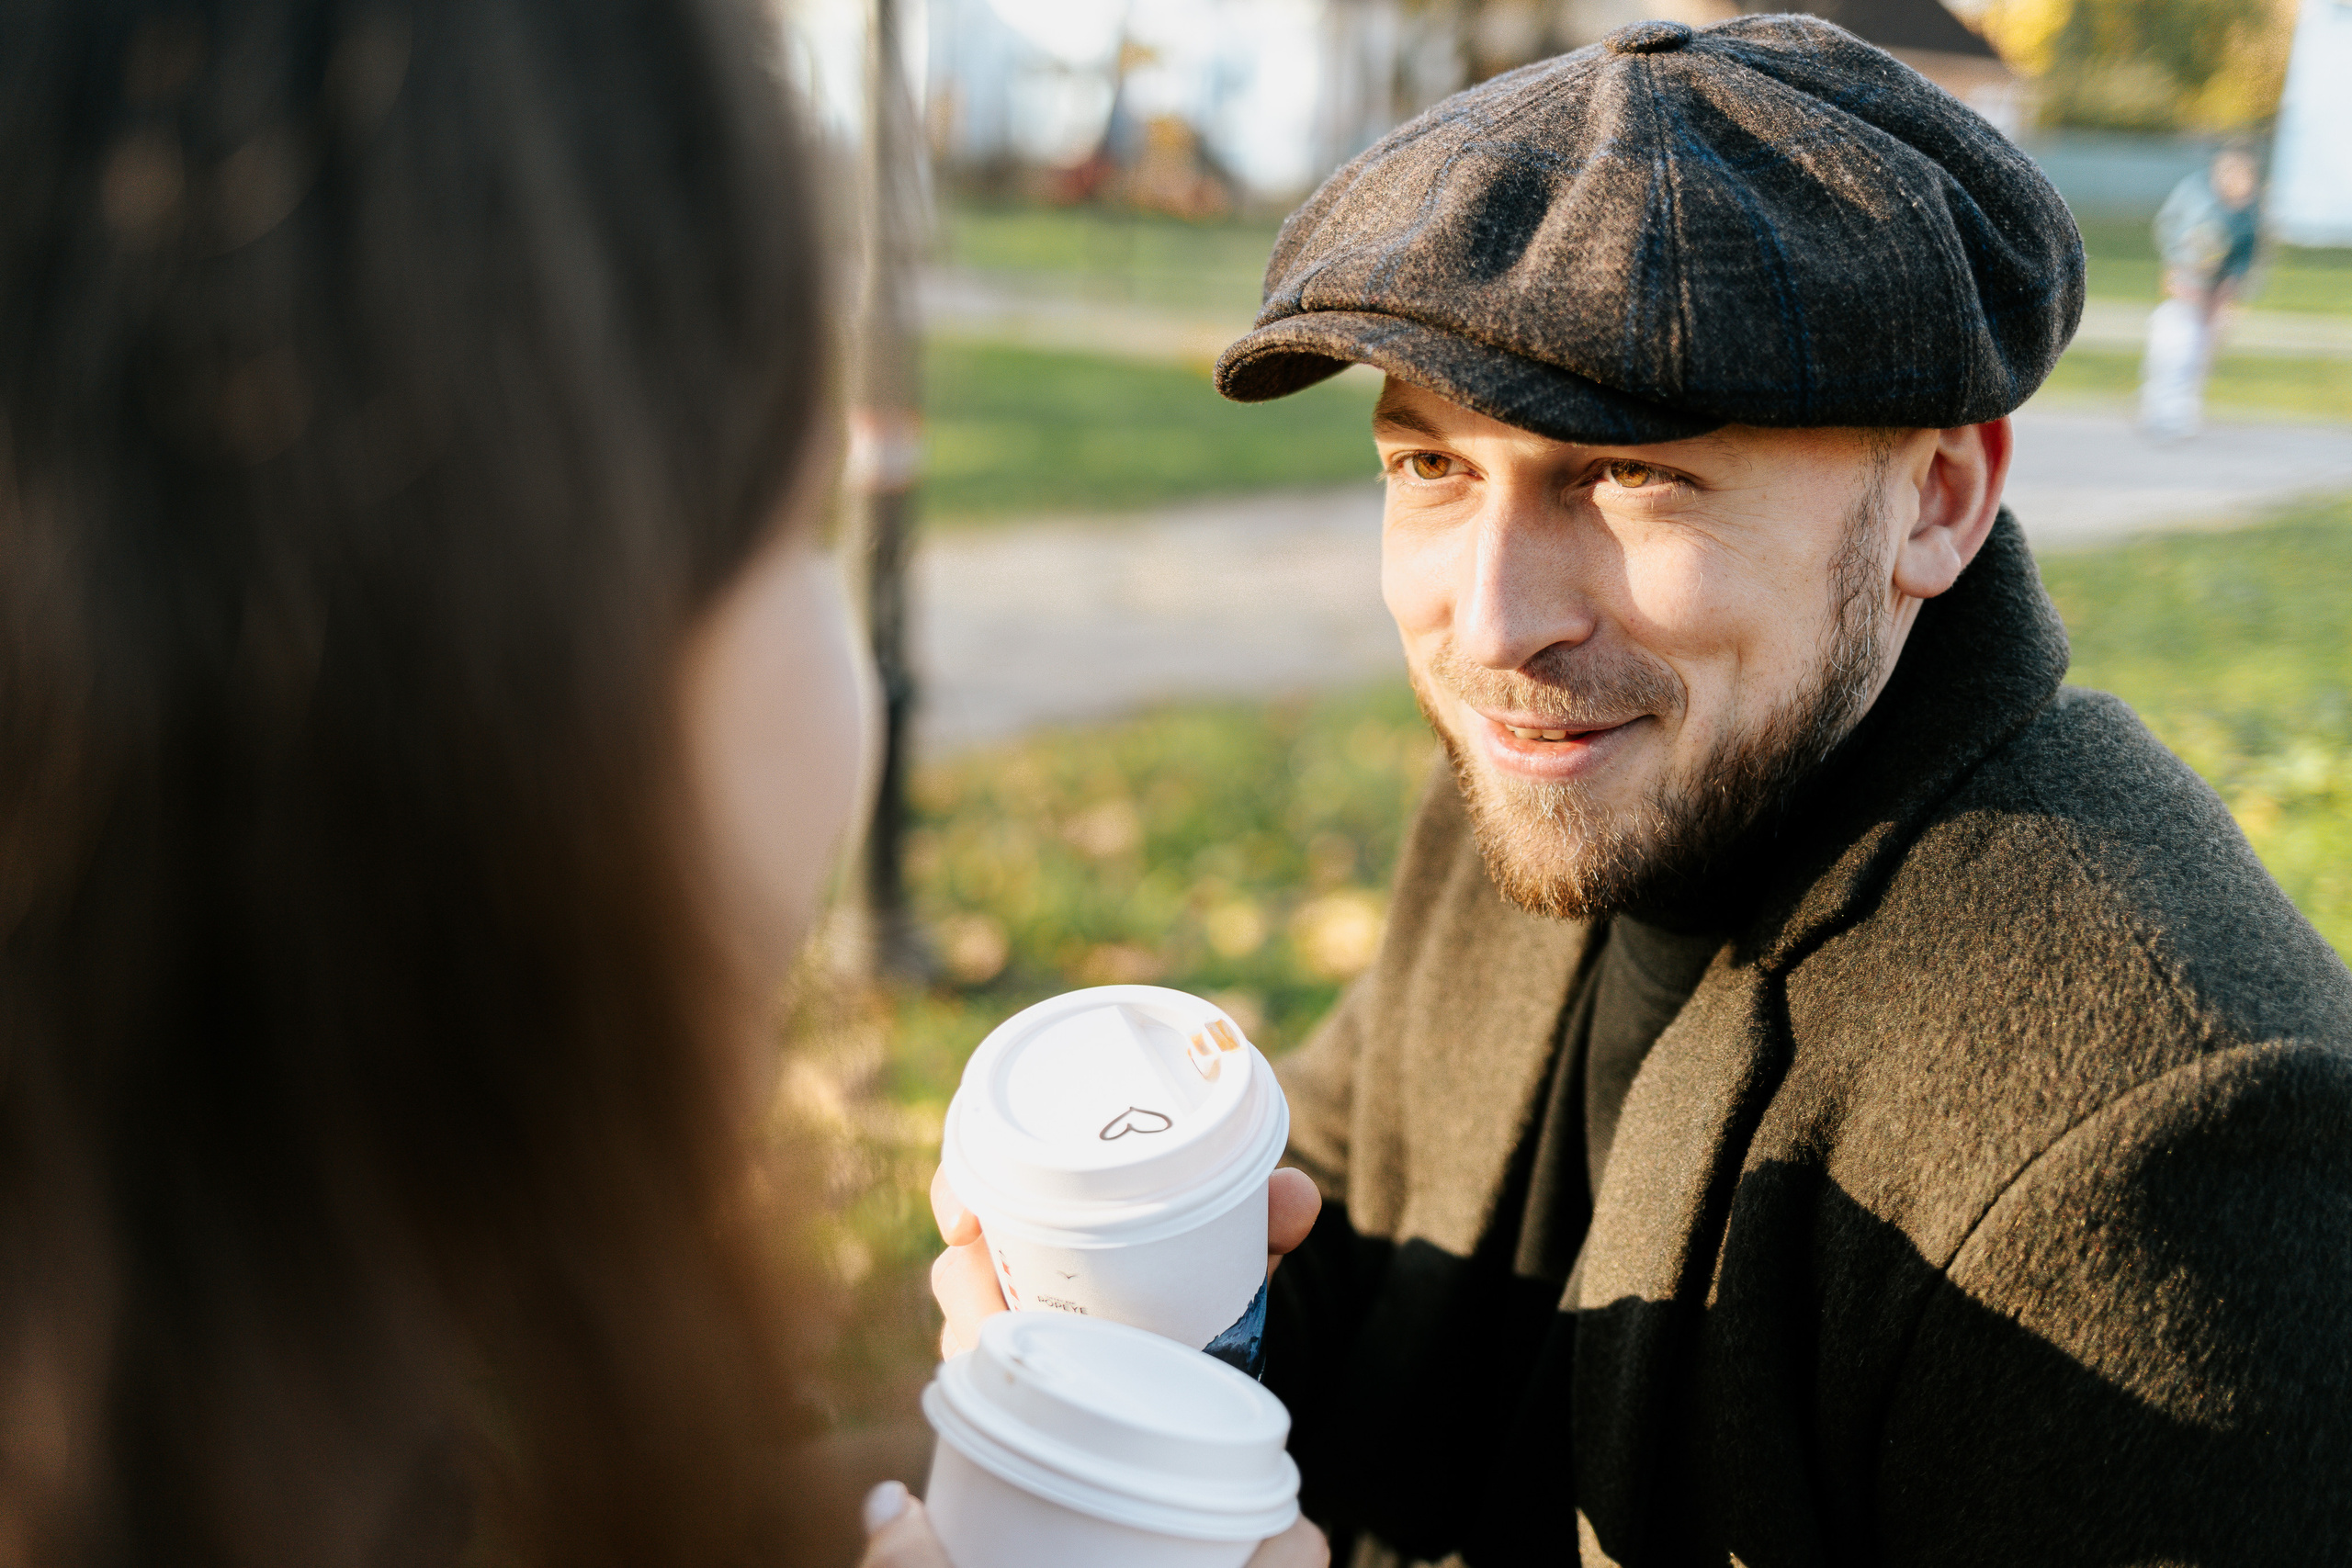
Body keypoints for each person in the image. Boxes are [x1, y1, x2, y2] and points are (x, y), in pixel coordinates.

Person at [934, 16, 2352, 1566]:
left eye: (1628, 475)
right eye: (1432, 468)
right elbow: (1361, 1237)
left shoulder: (2171, 1138)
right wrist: (1146, 1340)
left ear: (1938, 500)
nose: (1488, 629)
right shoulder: (1556, 771)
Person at [2139, 144, 2264, 441]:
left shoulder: (2247, 214)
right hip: (2186, 281)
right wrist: (2175, 266)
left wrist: (2226, 296)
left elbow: (2243, 260)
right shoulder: (2196, 195)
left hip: (2215, 289)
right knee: (2172, 343)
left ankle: (2180, 409)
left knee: (2199, 349)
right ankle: (2157, 405)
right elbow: (2170, 229)